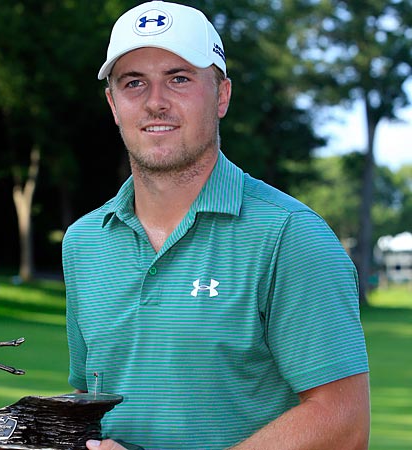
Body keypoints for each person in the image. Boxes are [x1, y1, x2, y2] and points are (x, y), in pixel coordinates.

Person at [62, 1, 370, 449]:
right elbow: (87, 403)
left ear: (222, 94)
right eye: (134, 83)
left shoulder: (290, 235)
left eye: (179, 79)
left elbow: (344, 424)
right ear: (113, 103)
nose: (156, 102)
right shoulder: (84, 242)